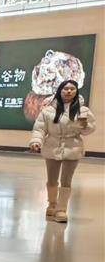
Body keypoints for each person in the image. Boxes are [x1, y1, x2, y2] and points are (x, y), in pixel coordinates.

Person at [29, 79, 95, 223]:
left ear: (76, 91)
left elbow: (88, 130)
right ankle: (52, 204)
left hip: (73, 147)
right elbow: (39, 128)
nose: (69, 91)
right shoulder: (48, 110)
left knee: (66, 180)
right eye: (66, 89)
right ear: (60, 91)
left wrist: (84, 125)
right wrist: (36, 141)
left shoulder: (83, 110)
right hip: (52, 146)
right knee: (52, 178)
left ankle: (62, 209)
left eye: (72, 89)